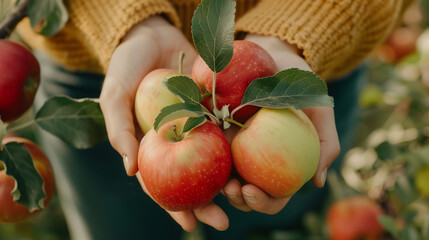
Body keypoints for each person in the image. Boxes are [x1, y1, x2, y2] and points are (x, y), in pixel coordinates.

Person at [16, 0, 413, 239]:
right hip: (97, 54)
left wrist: (298, 31)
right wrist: (127, 19)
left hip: (306, 61)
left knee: (277, 228)